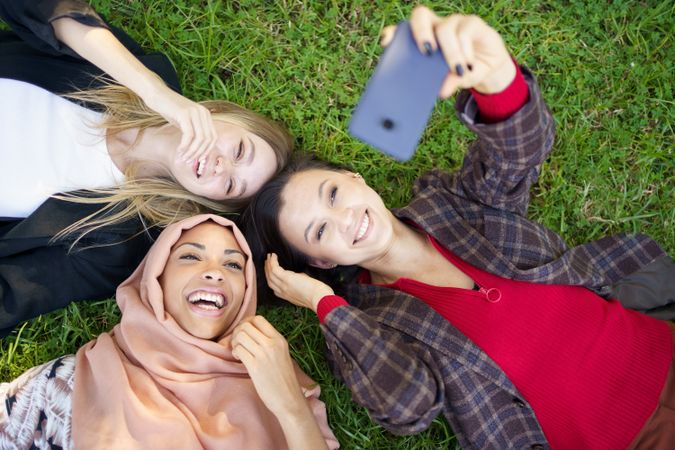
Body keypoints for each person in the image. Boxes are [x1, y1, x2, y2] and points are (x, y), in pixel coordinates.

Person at [243, 6, 675, 449]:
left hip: (660, 346)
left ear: (355, 178)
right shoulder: (367, 324)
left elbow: (513, 163)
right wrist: (323, 302)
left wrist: (498, 82)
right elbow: (407, 406)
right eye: (319, 232)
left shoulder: (448, 203)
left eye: (332, 194)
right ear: (321, 260)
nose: (344, 218)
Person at [0, 0, 292, 337]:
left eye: (230, 185)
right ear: (221, 113)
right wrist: (153, 90)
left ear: (208, 202)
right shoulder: (143, 74)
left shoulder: (115, 242)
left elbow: (14, 293)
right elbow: (45, 10)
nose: (221, 166)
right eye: (240, 150)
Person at [0, 214, 339, 449]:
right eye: (191, 257)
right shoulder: (70, 383)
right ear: (155, 280)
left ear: (246, 294)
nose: (215, 273)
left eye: (233, 264)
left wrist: (289, 405)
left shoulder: (279, 381)